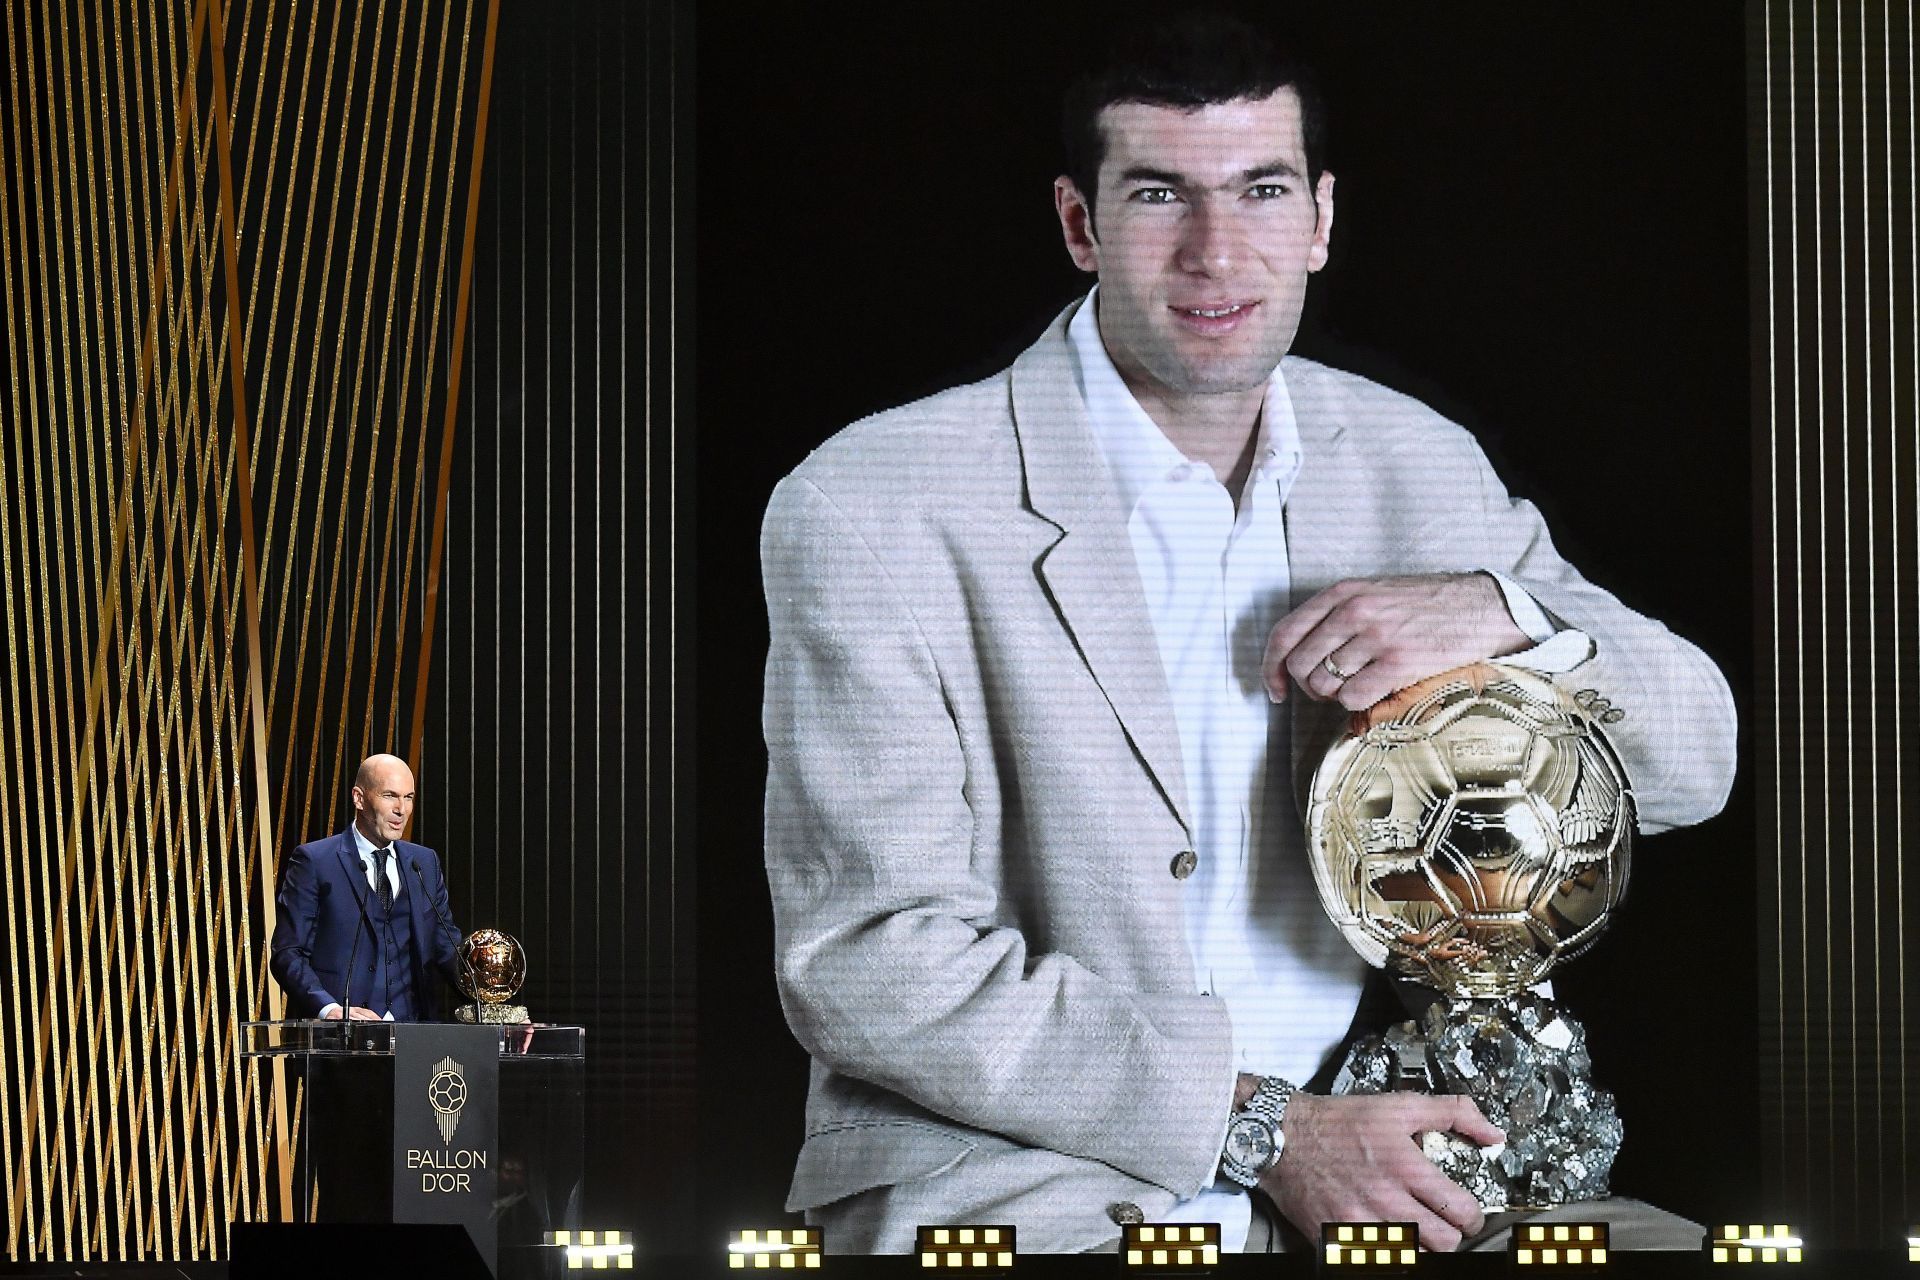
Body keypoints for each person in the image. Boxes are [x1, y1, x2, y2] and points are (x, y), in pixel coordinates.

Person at [759, 13, 1736, 1255]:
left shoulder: (1412, 462)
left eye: (1262, 190)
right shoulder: (871, 504)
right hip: (1015, 1194)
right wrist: (1269, 1128)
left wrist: (1504, 611)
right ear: (1079, 224)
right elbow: (869, 960)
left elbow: (1695, 760)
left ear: (1321, 220)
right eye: (1160, 193)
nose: (1217, 254)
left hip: (1385, 1190)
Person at [270, 753, 466, 1022]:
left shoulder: (424, 863)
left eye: (408, 797)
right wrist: (330, 1010)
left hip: (415, 1039)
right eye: (390, 796)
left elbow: (449, 950)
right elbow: (288, 953)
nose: (401, 809)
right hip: (341, 1041)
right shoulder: (315, 861)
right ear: (359, 798)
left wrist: (496, 1009)